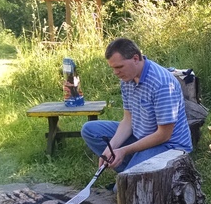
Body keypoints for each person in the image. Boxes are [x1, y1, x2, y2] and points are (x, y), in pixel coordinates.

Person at [81, 38, 193, 175]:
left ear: (135, 58)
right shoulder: (127, 79)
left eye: (119, 67)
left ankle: (135, 173)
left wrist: (124, 150)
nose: (115, 72)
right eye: (113, 68)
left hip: (168, 145)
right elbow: (128, 120)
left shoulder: (162, 83)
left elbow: (164, 135)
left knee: (126, 185)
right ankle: (131, 169)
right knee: (90, 130)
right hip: (140, 135)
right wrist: (110, 149)